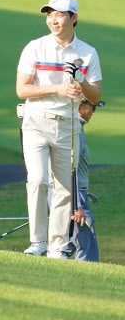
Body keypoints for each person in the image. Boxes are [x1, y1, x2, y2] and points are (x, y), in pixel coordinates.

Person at [16, 0, 102, 259]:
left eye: (59, 14)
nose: (53, 19)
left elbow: (95, 96)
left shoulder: (87, 53)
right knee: (38, 179)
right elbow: (22, 89)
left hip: (68, 126)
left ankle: (57, 247)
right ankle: (37, 242)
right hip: (36, 122)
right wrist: (59, 88)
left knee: (65, 187)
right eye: (49, 14)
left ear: (73, 18)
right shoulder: (35, 47)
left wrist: (80, 83)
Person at [66, 99, 104, 261]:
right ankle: (88, 278)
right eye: (93, 107)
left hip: (72, 193)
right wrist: (77, 205)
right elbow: (69, 171)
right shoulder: (74, 131)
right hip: (74, 194)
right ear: (80, 106)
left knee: (65, 244)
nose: (94, 112)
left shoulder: (75, 128)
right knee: (86, 242)